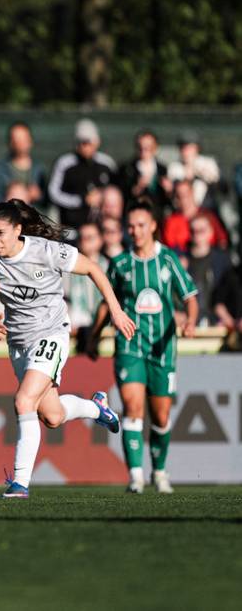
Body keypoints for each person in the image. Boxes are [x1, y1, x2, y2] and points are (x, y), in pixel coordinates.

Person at [0, 200, 135, 499]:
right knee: (52, 416)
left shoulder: (45, 250)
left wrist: (116, 311)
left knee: (23, 400)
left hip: (52, 333)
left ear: (18, 230)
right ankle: (97, 408)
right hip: (18, 341)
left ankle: (20, 484)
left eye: (1, 233)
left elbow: (92, 268)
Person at [87, 200, 199, 494]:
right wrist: (94, 336)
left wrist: (190, 321)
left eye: (140, 225)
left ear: (152, 226)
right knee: (132, 408)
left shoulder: (168, 261)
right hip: (129, 345)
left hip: (163, 347)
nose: (134, 231)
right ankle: (136, 476)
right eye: (130, 226)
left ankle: (159, 472)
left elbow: (189, 297)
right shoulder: (120, 264)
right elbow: (105, 304)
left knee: (160, 416)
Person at [47, 118, 117, 228]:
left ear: (97, 142)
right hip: (71, 227)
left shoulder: (107, 163)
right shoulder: (65, 163)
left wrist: (102, 197)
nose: (85, 147)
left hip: (101, 228)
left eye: (88, 142)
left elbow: (116, 193)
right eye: (81, 142)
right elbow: (53, 193)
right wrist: (81, 200)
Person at [0, 122, 46, 206]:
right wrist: (10, 200)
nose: (20, 143)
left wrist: (39, 196)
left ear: (30, 140)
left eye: (23, 138)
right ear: (10, 142)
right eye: (16, 139)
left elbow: (48, 201)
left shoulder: (40, 169)